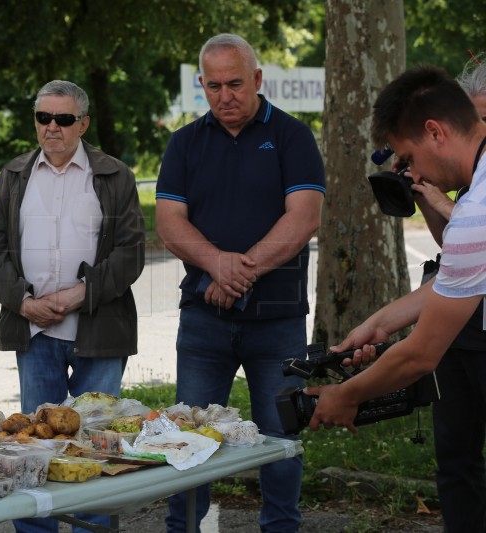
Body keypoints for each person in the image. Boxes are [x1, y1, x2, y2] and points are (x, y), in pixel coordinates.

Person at [156, 33, 325, 533]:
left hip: (278, 322)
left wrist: (235, 272)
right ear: (201, 87)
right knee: (188, 440)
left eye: (234, 83)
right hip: (205, 321)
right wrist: (217, 265)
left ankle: (280, 527)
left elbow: (304, 219)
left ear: (257, 79)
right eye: (213, 86)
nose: (224, 95)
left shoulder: (293, 137)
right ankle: (183, 527)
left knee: (281, 441)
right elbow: (169, 224)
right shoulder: (184, 142)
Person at [307, 66, 486, 532]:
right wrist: (380, 322)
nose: (411, 175)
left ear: (435, 132)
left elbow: (421, 355)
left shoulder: (476, 212)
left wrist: (346, 395)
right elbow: (456, 280)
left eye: (408, 159)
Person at [0, 79, 145, 532]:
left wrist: (78, 295)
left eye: (64, 119)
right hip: (34, 334)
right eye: (43, 117)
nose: (52, 127)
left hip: (100, 331)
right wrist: (24, 303)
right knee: (35, 451)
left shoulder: (114, 175)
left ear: (83, 123)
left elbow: (131, 252)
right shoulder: (12, 176)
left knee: (96, 448)